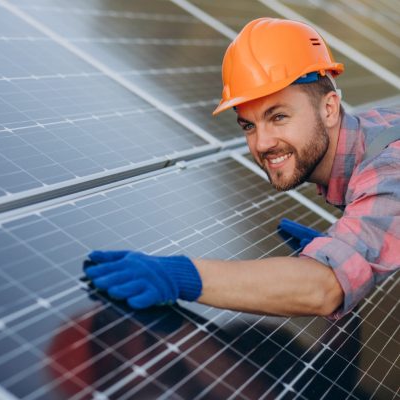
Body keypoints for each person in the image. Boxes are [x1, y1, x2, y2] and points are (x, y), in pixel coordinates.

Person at [84, 18, 400, 319]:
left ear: (329, 108)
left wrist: (181, 276)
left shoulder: (389, 167)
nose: (261, 143)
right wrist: (346, 244)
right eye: (249, 125)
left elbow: (324, 289)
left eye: (278, 117)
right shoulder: (374, 132)